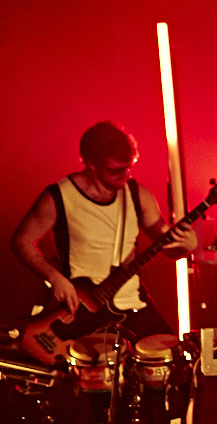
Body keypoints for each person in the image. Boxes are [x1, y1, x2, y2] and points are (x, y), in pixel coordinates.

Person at [10, 120, 196, 338]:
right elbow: (21, 242)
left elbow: (167, 246)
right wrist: (55, 278)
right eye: (115, 170)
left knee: (174, 356)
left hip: (131, 302)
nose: (125, 175)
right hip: (80, 309)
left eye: (129, 167)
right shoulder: (59, 197)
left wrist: (188, 246)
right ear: (91, 163)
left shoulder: (138, 195)